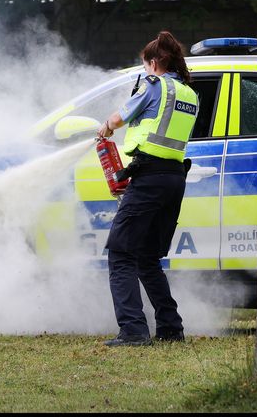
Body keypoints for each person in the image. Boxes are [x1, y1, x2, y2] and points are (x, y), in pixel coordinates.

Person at [97, 30, 199, 347]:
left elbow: (120, 117)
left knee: (120, 253)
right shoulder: (188, 93)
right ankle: (170, 327)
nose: (143, 71)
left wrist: (105, 127)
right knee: (147, 258)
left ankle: (133, 330)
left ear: (153, 62)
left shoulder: (155, 86)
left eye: (144, 65)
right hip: (173, 179)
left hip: (150, 177)